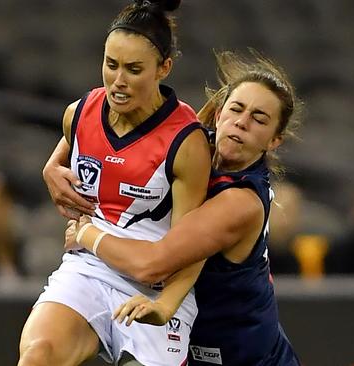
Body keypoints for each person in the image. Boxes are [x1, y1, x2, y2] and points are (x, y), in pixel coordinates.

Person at [66, 50, 301, 365]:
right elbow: (98, 129)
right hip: (193, 348)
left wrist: (87, 234)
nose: (242, 123)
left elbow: (152, 265)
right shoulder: (190, 147)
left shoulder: (240, 201)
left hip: (248, 359)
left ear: (275, 141)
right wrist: (54, 163)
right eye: (236, 109)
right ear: (218, 114)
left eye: (259, 119)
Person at [18, 1, 211, 365]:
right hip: (89, 268)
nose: (118, 82)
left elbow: (192, 246)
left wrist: (166, 306)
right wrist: (50, 167)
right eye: (111, 65)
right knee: (37, 355)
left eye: (134, 70)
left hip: (155, 284)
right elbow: (79, 146)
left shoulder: (186, 143)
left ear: (163, 68)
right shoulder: (79, 113)